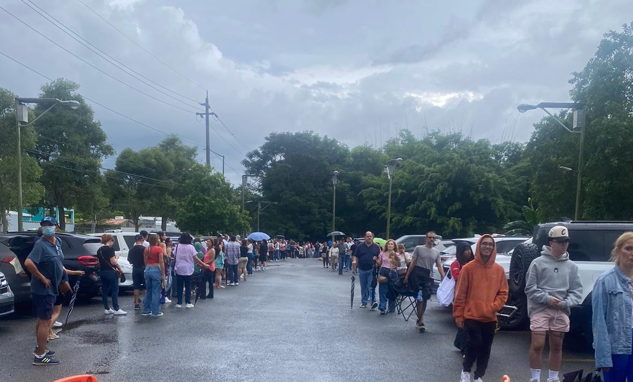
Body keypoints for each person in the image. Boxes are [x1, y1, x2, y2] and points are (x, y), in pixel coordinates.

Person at [525, 226, 583, 382]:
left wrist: (564, 303)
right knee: (538, 344)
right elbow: (530, 288)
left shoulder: (572, 266)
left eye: (567, 241)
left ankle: (553, 378)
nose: (564, 244)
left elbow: (577, 292)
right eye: (561, 241)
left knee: (557, 345)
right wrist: (548, 299)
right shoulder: (537, 263)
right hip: (540, 308)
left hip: (561, 310)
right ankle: (535, 378)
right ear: (551, 242)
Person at [454, 235, 508, 382]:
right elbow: (460, 294)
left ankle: (479, 376)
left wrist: (494, 306)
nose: (487, 247)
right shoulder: (468, 268)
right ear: (478, 246)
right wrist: (458, 315)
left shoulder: (499, 270)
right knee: (475, 342)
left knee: (486, 348)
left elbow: (503, 293)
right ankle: (466, 370)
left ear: (494, 248)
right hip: (471, 315)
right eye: (484, 244)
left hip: (490, 316)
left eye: (490, 244)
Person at [24, 217, 66, 365]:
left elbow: (59, 263)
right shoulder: (40, 245)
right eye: (44, 225)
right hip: (43, 289)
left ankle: (40, 347)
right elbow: (28, 262)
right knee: (45, 321)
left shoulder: (57, 242)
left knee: (43, 319)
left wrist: (65, 277)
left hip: (52, 287)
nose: (47, 227)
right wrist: (42, 277)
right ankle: (40, 357)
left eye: (50, 225)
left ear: (56, 227)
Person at [593, 232, 633, 382]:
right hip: (616, 346)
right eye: (628, 248)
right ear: (617, 251)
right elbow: (599, 321)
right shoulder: (605, 281)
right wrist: (603, 357)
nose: (632, 254)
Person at [404, 231, 444, 331]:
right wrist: (407, 276)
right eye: (430, 237)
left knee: (425, 297)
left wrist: (443, 277)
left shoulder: (436, 252)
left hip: (428, 276)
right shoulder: (419, 248)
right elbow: (412, 262)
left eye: (433, 238)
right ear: (426, 239)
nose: (431, 239)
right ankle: (420, 320)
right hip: (417, 275)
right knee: (419, 297)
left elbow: (439, 265)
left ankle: (420, 317)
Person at [451, 242, 474, 355]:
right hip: (461, 297)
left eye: (469, 249)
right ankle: (465, 348)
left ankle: (459, 343)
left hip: (473, 297)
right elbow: (457, 278)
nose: (468, 252)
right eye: (465, 250)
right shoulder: (456, 264)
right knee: (462, 323)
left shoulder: (474, 263)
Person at [174, 233, 207, 308]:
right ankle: (187, 302)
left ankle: (179, 302)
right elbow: (195, 258)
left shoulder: (177, 246)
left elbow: (175, 257)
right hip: (188, 268)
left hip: (179, 268)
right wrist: (203, 264)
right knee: (188, 286)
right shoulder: (191, 247)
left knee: (179, 286)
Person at [97, 234, 126, 316]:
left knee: (105, 290)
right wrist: (117, 258)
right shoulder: (110, 250)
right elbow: (113, 262)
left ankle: (107, 308)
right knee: (115, 290)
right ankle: (116, 308)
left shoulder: (99, 250)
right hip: (110, 272)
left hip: (102, 271)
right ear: (110, 240)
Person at [352, 231, 380, 310]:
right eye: (367, 236)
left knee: (371, 286)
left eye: (370, 236)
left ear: (372, 237)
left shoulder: (376, 247)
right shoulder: (360, 246)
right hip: (362, 269)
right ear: (364, 237)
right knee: (363, 286)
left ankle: (373, 301)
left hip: (372, 268)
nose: (369, 238)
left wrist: (377, 261)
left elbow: (380, 256)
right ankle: (364, 302)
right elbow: (355, 256)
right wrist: (354, 261)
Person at [142, 233, 165, 317]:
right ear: (156, 240)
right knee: (156, 291)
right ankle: (155, 311)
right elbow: (161, 262)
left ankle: (146, 310)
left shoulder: (146, 249)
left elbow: (145, 260)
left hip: (147, 269)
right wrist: (163, 273)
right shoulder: (159, 249)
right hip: (155, 269)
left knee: (149, 290)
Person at [377, 239, 401, 315]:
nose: (390, 245)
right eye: (389, 244)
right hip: (384, 270)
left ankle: (391, 307)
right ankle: (382, 307)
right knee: (382, 289)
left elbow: (398, 264)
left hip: (393, 271)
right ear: (386, 245)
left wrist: (395, 258)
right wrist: (375, 259)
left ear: (394, 246)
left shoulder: (396, 254)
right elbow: (379, 263)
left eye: (391, 244)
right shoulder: (382, 253)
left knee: (392, 290)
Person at [127, 234, 146, 310]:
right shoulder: (144, 249)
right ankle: (146, 301)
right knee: (145, 286)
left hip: (135, 268)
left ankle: (136, 304)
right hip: (143, 268)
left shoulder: (131, 249)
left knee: (136, 286)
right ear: (142, 240)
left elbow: (129, 260)